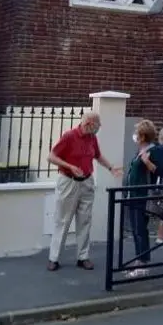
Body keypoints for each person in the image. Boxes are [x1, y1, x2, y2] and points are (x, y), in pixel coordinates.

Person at [45, 111, 122, 272]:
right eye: (97, 124)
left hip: (87, 181)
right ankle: (54, 258)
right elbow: (51, 157)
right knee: (63, 220)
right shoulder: (69, 136)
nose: (99, 127)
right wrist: (70, 166)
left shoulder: (92, 138)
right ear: (89, 123)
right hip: (68, 181)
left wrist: (110, 168)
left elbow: (98, 156)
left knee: (85, 220)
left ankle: (83, 257)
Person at [123, 119, 163, 278]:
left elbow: (158, 171)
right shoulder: (140, 150)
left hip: (142, 195)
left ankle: (143, 261)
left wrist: (147, 162)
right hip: (133, 195)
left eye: (137, 133)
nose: (135, 136)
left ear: (143, 136)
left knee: (140, 228)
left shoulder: (152, 151)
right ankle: (139, 258)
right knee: (135, 228)